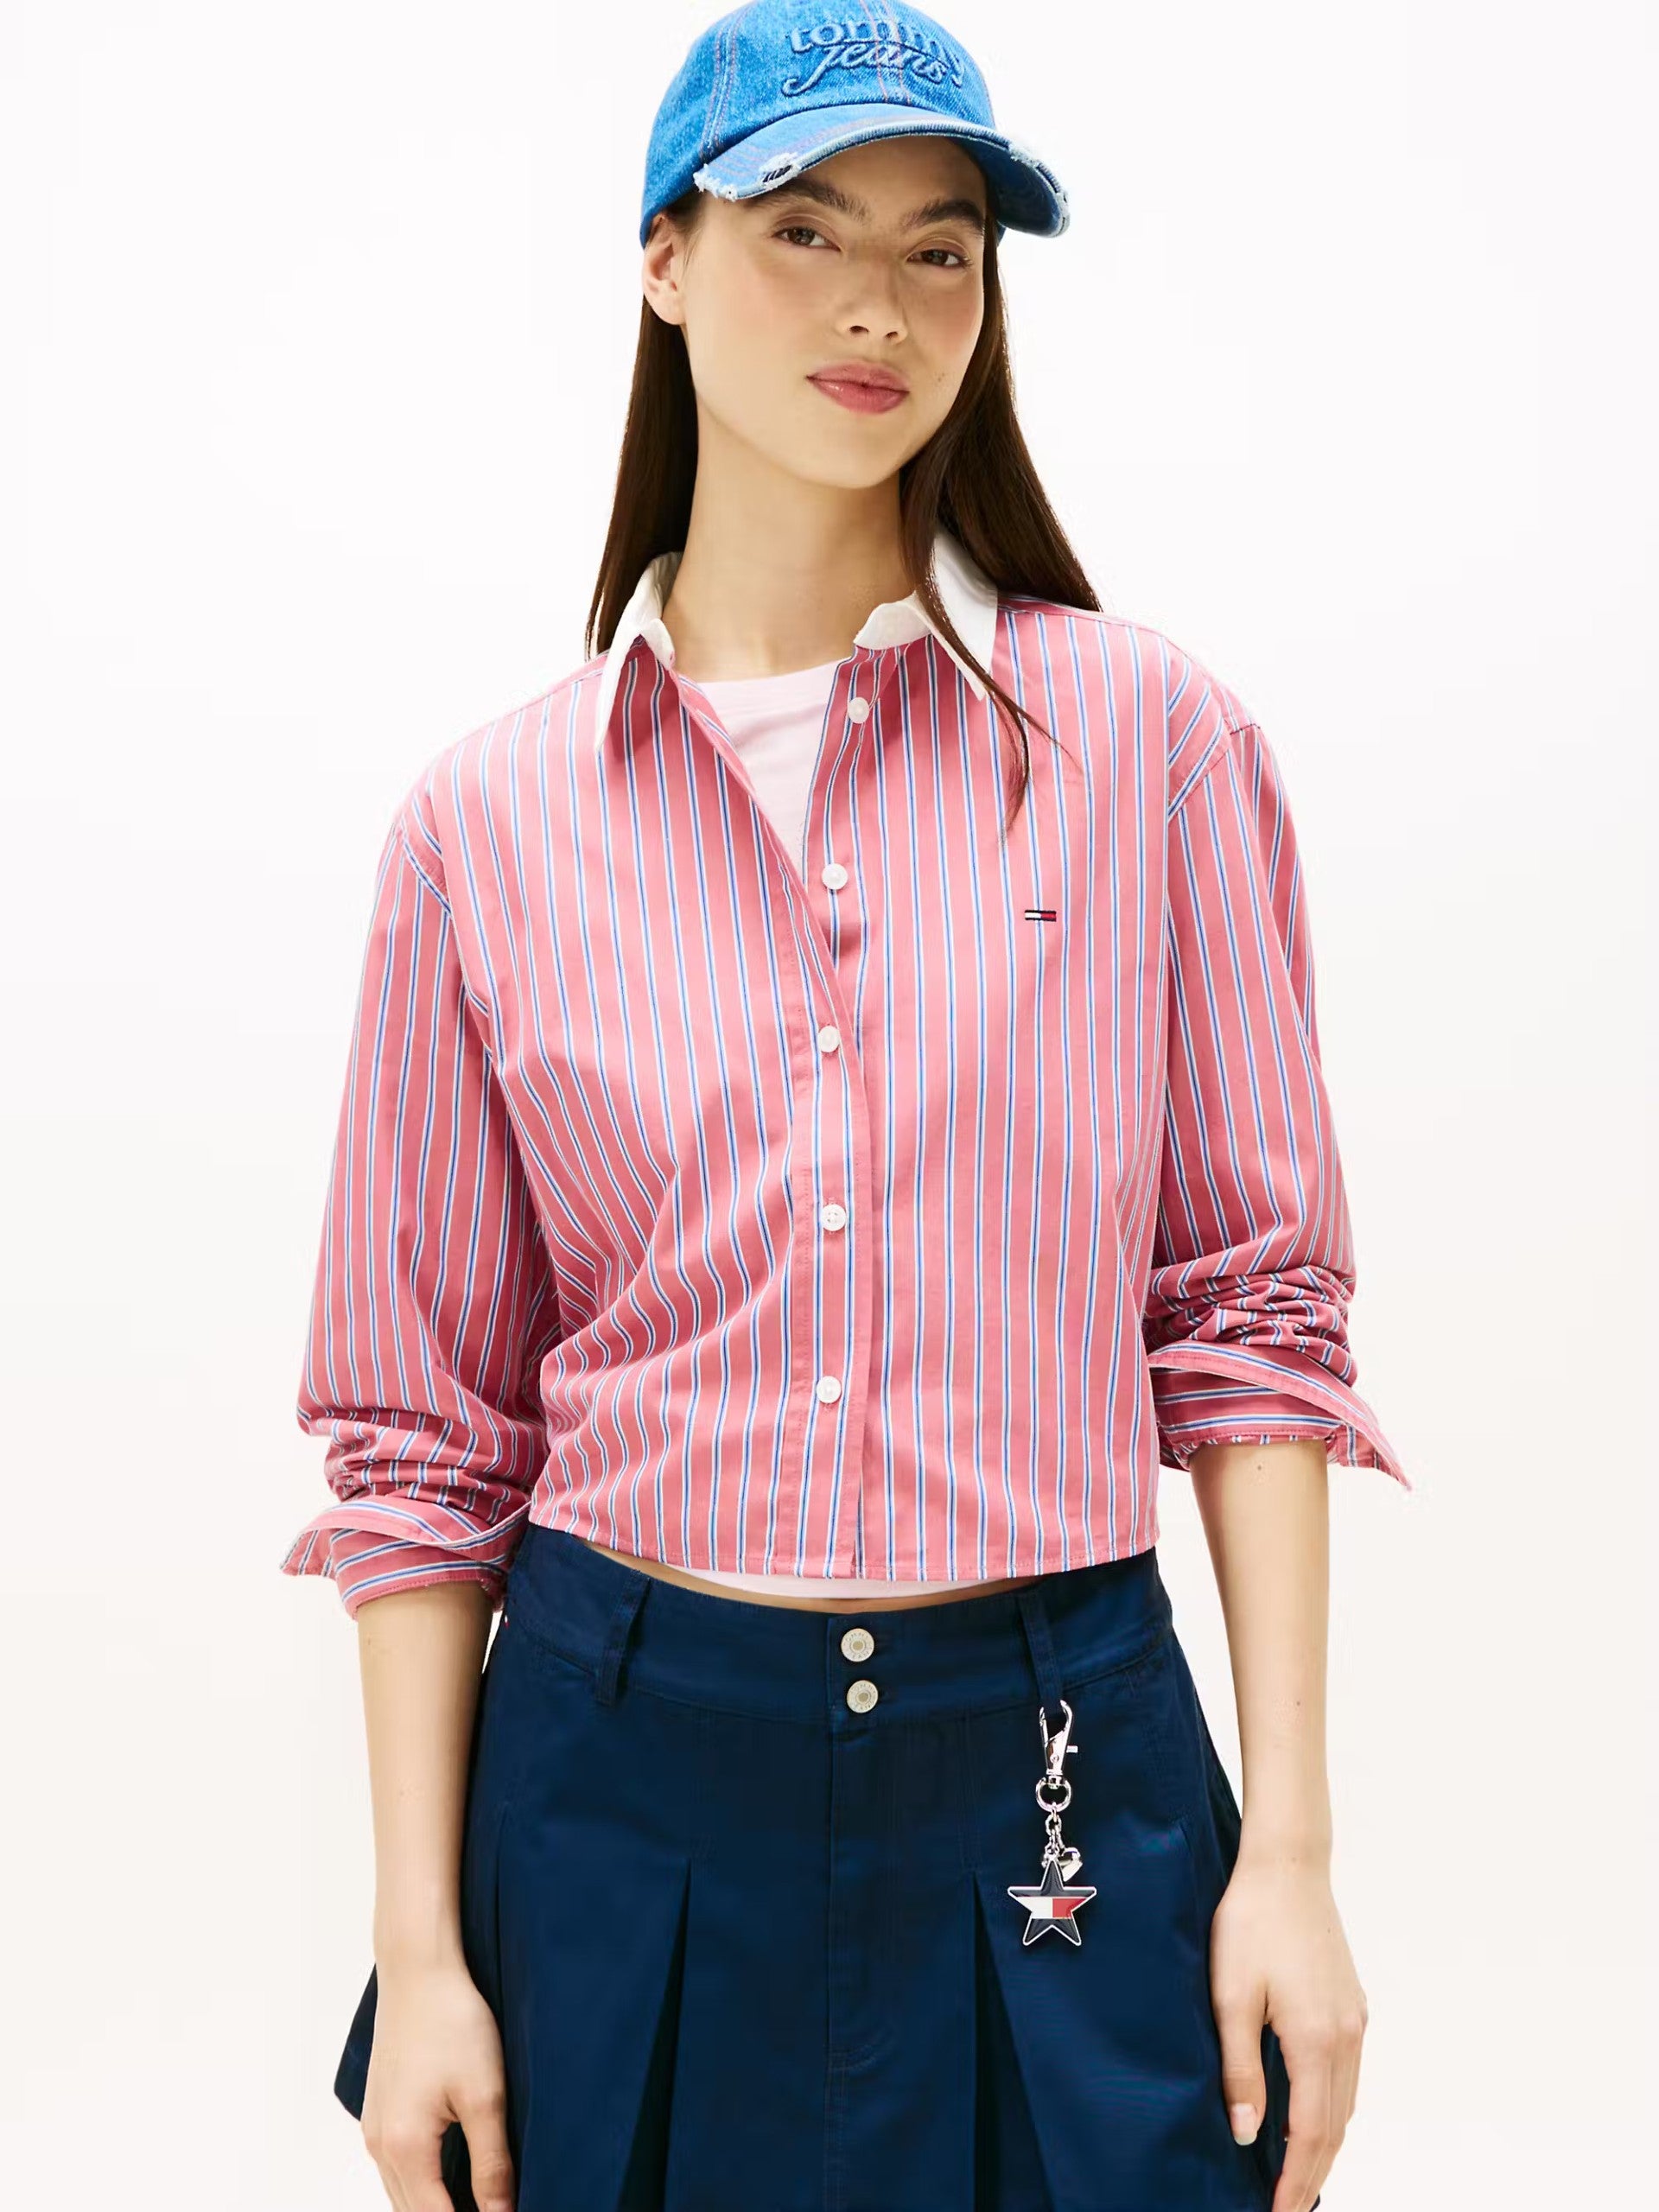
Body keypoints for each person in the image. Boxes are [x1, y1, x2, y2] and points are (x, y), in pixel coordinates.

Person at [280, 6, 1408, 2208]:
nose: (881, 302)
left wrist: (1290, 1848)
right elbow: (423, 1440)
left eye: (941, 247)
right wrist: (418, 1948)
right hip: (616, 1777)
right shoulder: (485, 826)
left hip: (1060, 1750)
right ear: (663, 258)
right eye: (804, 228)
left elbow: (1253, 1311)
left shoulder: (1151, 746)